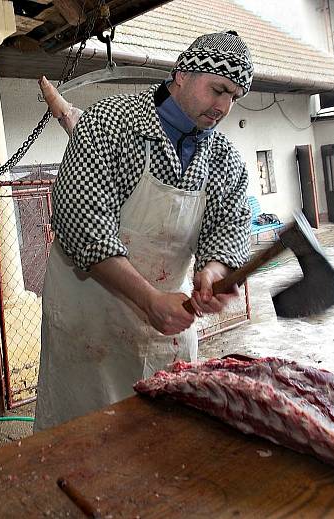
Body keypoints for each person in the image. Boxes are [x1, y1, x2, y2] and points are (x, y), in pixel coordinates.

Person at [34, 31, 254, 430]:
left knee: (160, 443)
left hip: (169, 323)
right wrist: (148, 298)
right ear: (182, 74)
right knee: (82, 444)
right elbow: (84, 228)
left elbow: (228, 229)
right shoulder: (109, 125)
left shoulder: (224, 158)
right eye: (218, 89)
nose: (223, 106)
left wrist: (215, 272)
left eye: (234, 97)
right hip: (90, 323)